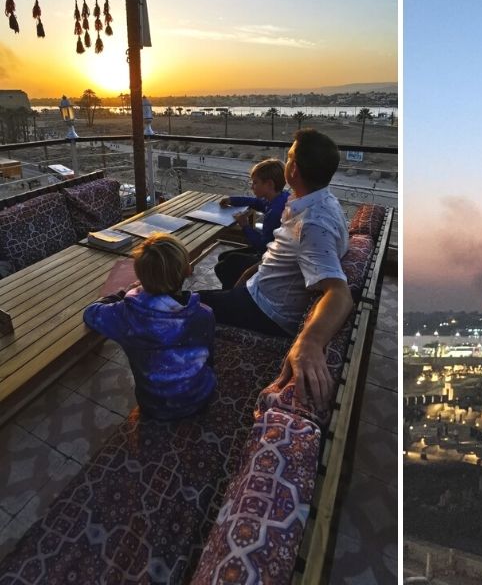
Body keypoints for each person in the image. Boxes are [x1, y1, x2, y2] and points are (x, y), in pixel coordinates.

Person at [199, 129, 351, 408]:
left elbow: (339, 292)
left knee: (189, 303)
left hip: (266, 307)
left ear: (294, 169)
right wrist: (255, 270)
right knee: (229, 264)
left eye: (290, 156)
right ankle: (229, 304)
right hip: (264, 283)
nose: (286, 160)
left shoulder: (313, 224)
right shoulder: (320, 200)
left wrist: (310, 341)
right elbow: (287, 254)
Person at [83, 234, 216, 421]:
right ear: (187, 270)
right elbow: (209, 359)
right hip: (200, 398)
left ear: (140, 276)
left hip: (153, 406)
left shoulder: (126, 314)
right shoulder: (204, 314)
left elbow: (90, 313)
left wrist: (123, 294)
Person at [213, 158, 289, 288]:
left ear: (269, 184)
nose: (252, 186)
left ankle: (233, 294)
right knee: (224, 257)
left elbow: (261, 246)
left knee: (223, 266)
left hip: (267, 257)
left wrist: (245, 226)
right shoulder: (280, 197)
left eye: (255, 183)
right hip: (272, 251)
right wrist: (232, 200)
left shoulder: (274, 213)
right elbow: (256, 202)